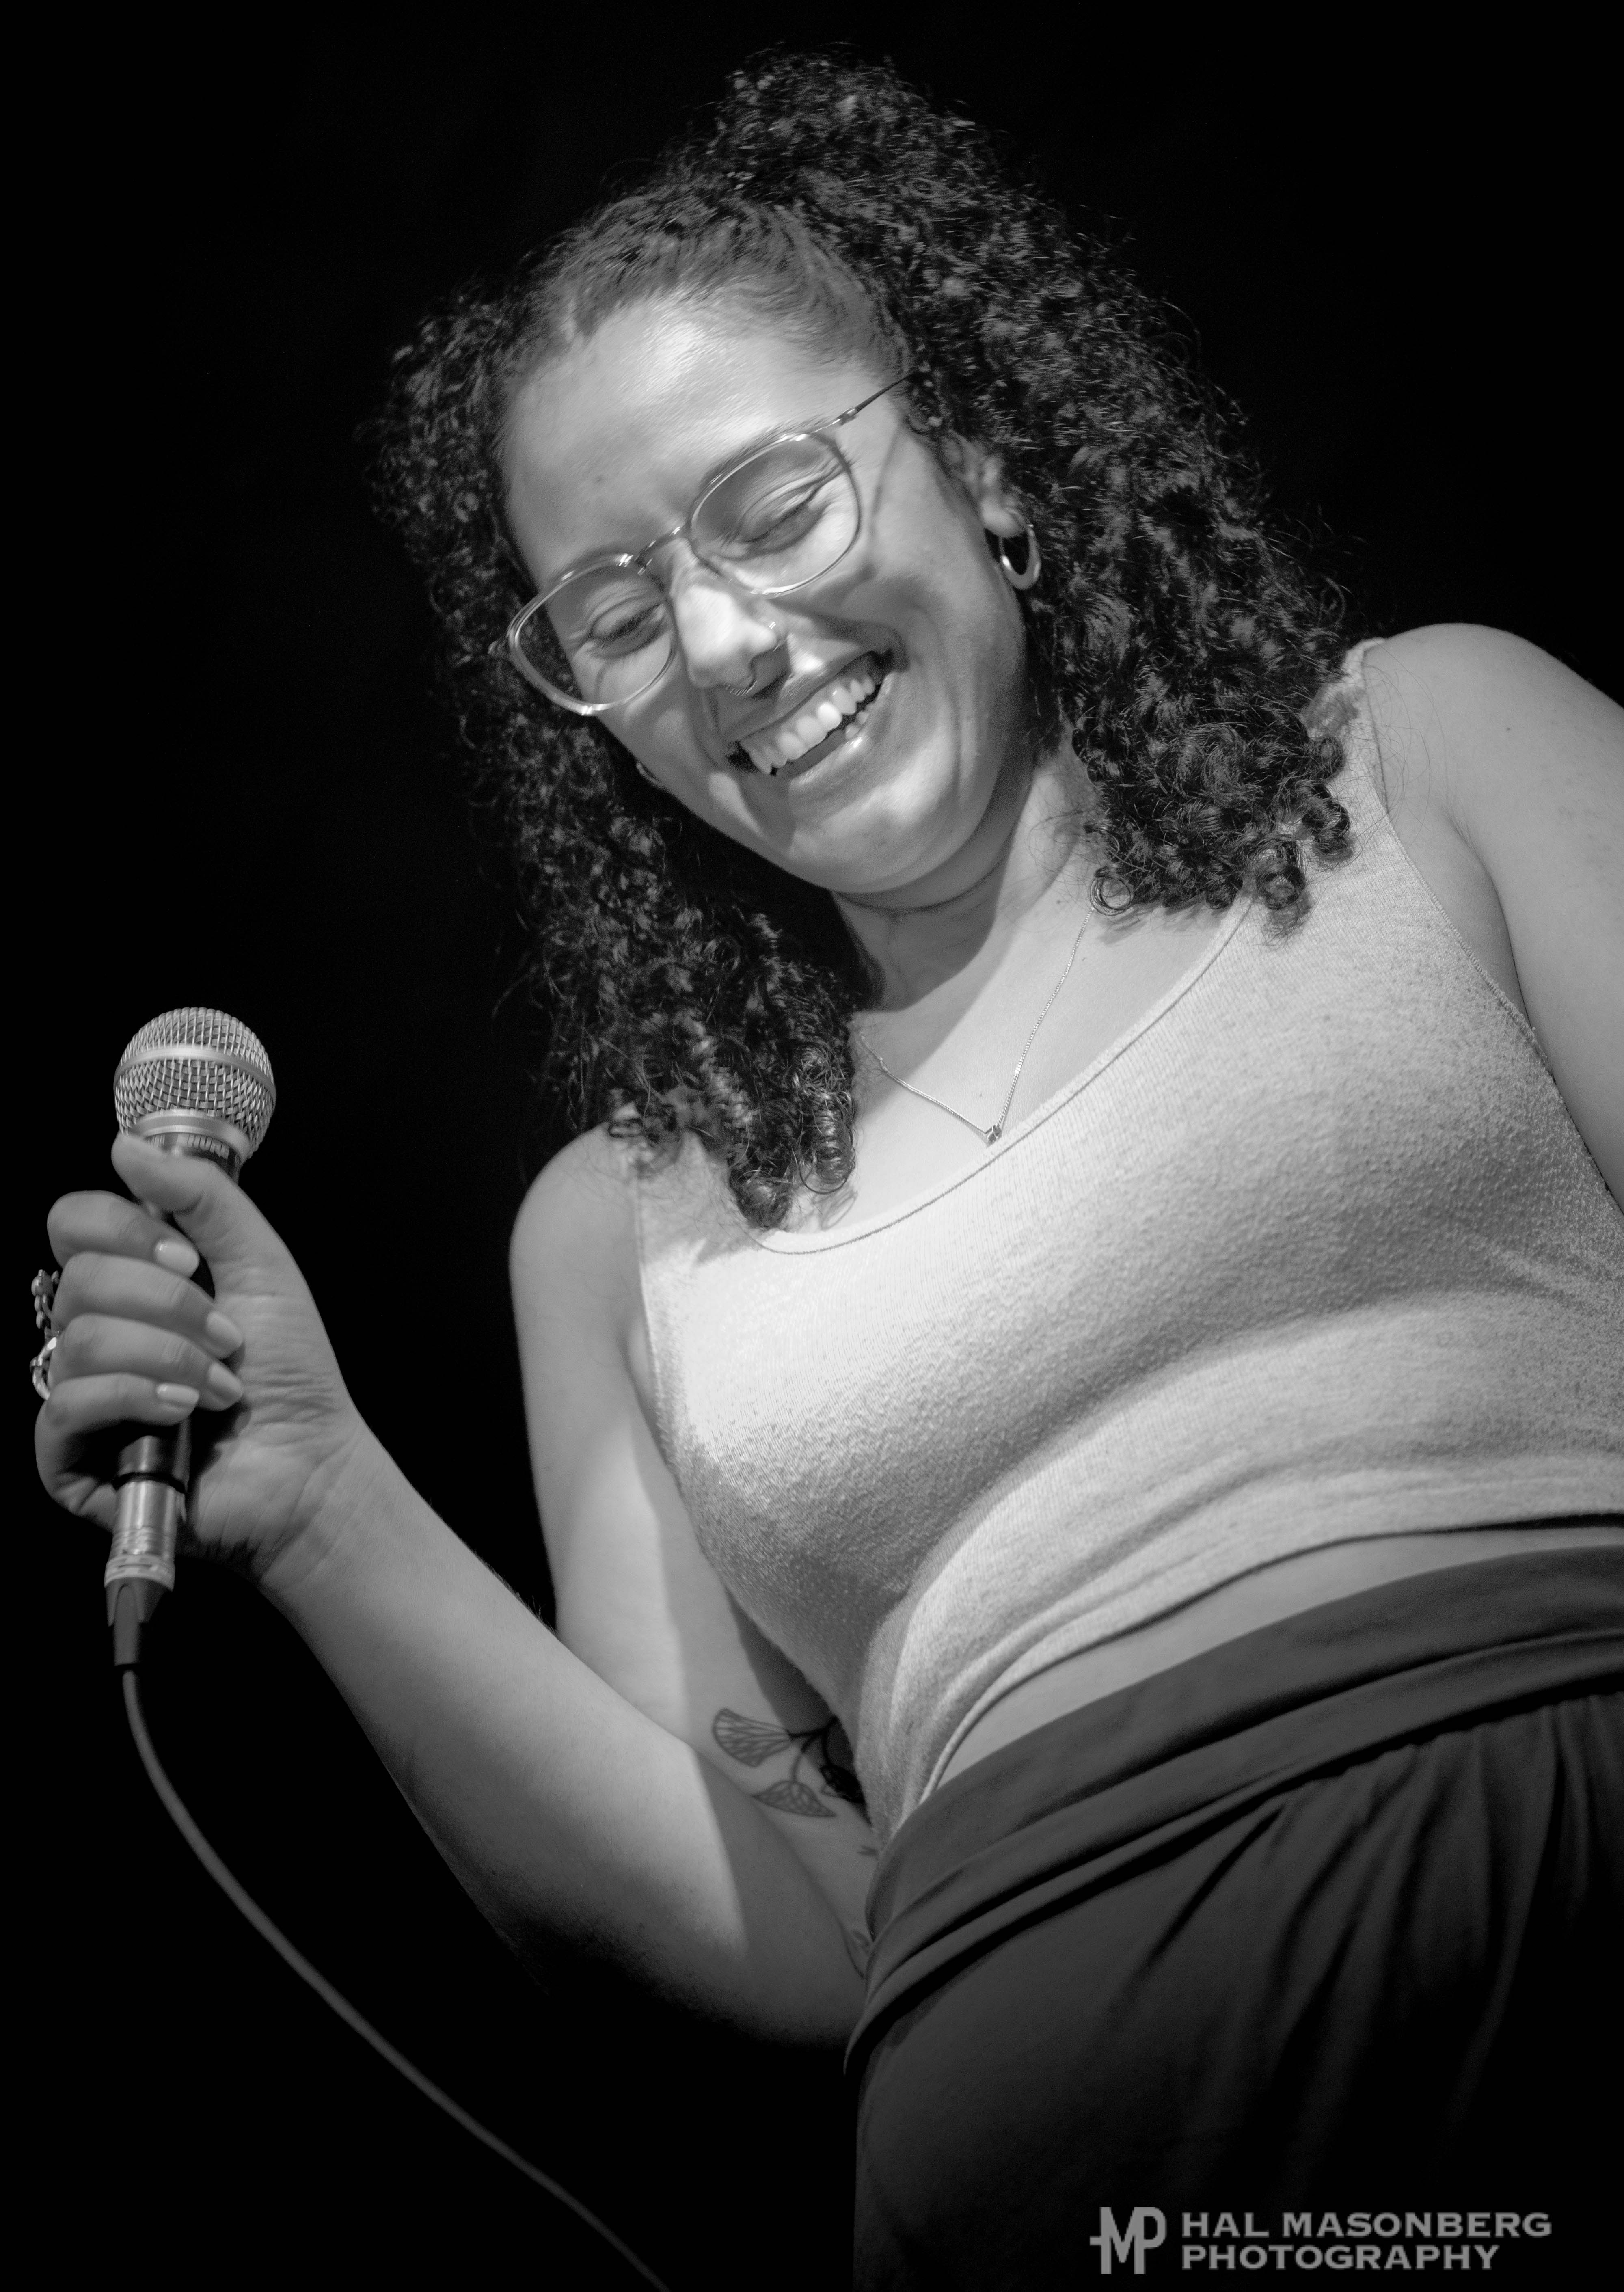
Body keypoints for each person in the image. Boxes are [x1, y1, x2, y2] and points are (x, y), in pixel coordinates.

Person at [36, 50, 1624, 2287]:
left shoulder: (1430, 752)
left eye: (771, 505)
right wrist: (311, 1501)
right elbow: (787, 1942)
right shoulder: (622, 1228)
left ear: (986, 459)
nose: (718, 643)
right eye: (614, 613)